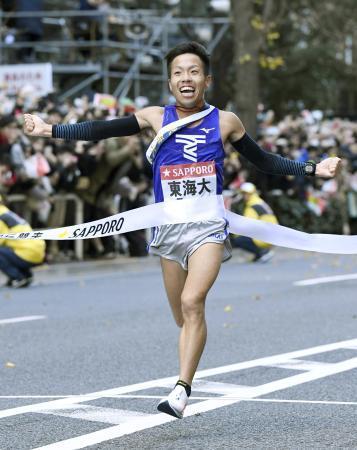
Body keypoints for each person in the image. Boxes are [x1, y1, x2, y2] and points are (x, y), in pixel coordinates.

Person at [23, 41, 341, 419]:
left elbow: (264, 161)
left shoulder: (226, 121)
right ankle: (190, 354)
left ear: (206, 79)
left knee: (193, 302)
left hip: (208, 227)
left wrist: (312, 169)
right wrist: (49, 129)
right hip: (167, 230)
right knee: (182, 315)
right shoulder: (155, 117)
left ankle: (181, 389)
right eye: (178, 72)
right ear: (170, 81)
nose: (185, 78)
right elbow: (99, 130)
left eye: (193, 71)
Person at [0, 195, 46, 288]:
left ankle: (18, 277)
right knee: (8, 250)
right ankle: (26, 276)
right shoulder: (6, 213)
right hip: (37, 251)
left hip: (27, 253)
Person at [231, 182, 278, 262]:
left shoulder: (252, 206)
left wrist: (234, 231)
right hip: (271, 234)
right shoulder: (259, 201)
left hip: (265, 236)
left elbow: (246, 225)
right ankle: (259, 254)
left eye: (244, 193)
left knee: (238, 239)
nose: (244, 196)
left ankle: (263, 252)